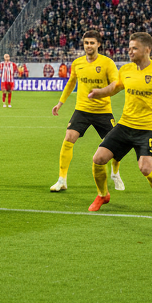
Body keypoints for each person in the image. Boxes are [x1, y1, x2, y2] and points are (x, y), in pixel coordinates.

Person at [85, 32, 152, 214]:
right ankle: (102, 195)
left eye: (134, 48)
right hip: (124, 126)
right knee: (98, 159)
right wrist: (100, 92)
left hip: (148, 129)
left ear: (147, 49)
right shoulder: (126, 70)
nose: (130, 51)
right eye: (129, 48)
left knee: (146, 168)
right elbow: (115, 87)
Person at [49, 30, 122, 193]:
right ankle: (62, 179)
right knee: (69, 137)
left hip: (103, 111)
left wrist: (102, 92)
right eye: (86, 43)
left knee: (116, 145)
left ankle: (115, 173)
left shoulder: (107, 63)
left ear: (98, 44)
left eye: (92, 43)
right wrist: (60, 103)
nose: (89, 46)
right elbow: (71, 83)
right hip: (82, 110)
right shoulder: (77, 63)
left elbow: (116, 85)